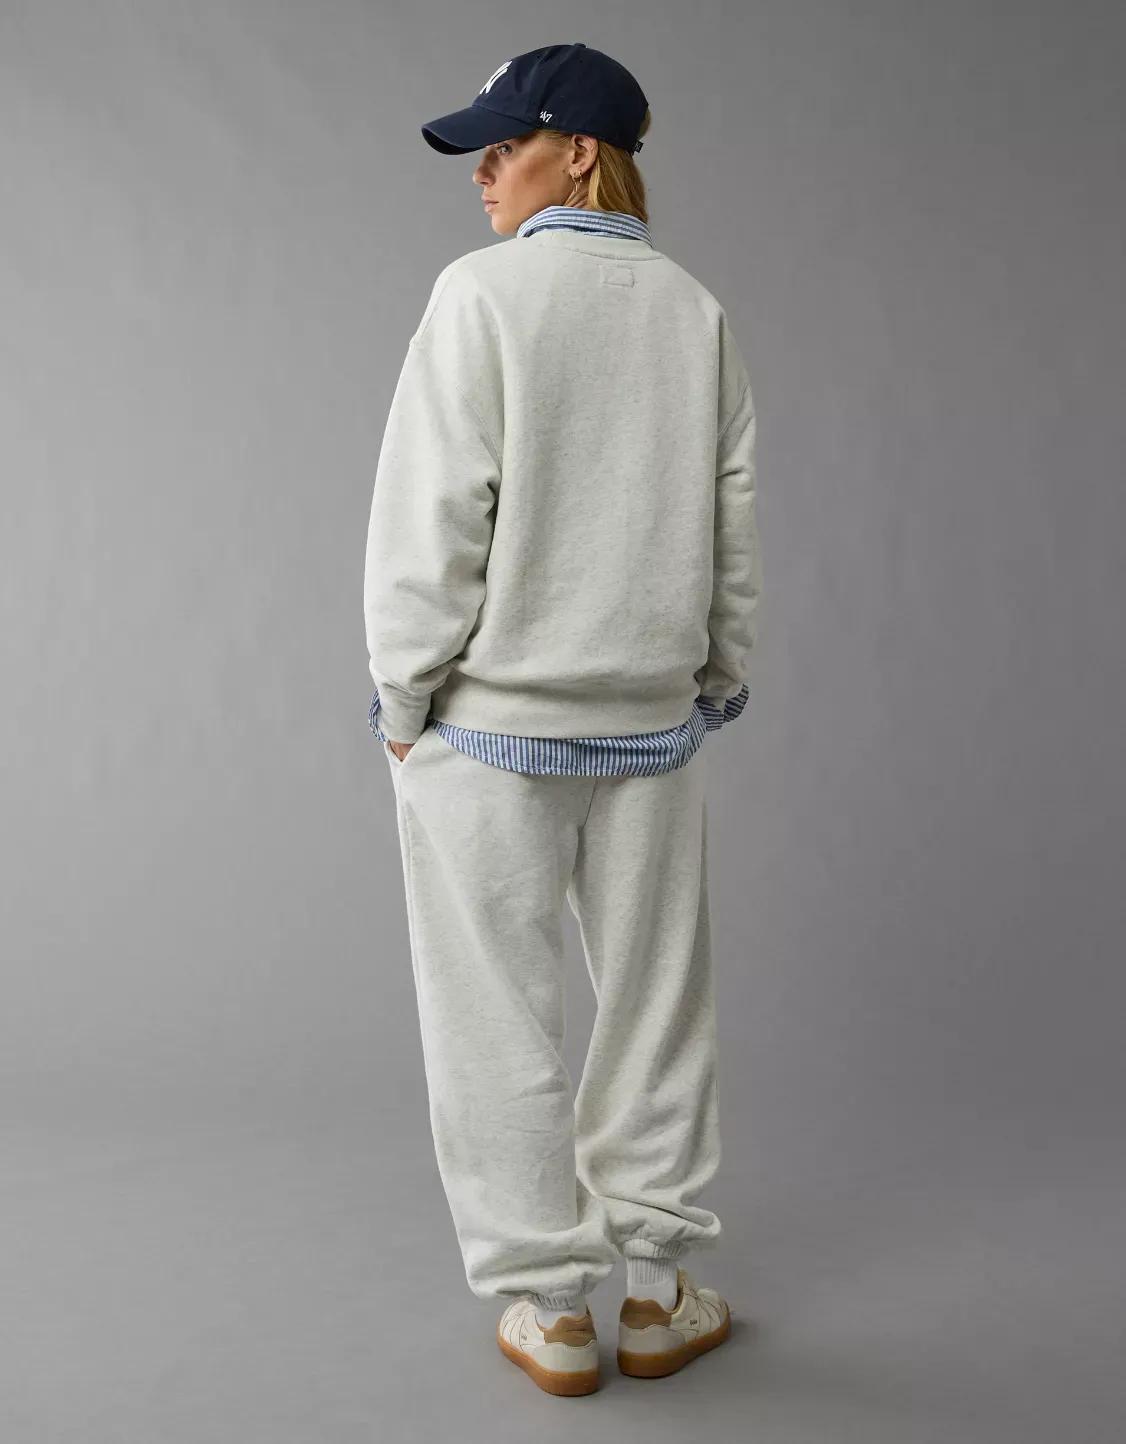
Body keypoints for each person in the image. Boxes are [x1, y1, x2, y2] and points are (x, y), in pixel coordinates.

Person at [362, 42, 761, 1396]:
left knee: (497, 1021)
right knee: (658, 1012)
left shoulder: (479, 297)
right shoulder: (695, 311)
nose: (483, 172)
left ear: (579, 151)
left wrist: (402, 695)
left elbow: (431, 516)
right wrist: (716, 676)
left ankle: (549, 1307)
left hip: (487, 732)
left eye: (504, 144)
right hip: (652, 724)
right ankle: (656, 1293)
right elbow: (732, 520)